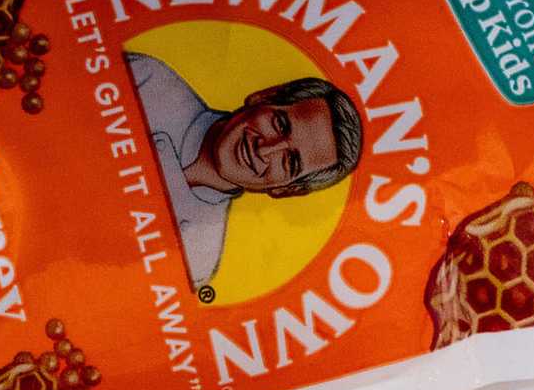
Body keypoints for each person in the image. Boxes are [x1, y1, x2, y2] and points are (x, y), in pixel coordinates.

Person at [122, 57, 365, 289]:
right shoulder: (147, 81)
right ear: (263, 97)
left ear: (287, 190)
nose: (266, 149)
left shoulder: (198, 260)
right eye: (280, 124)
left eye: (290, 161)